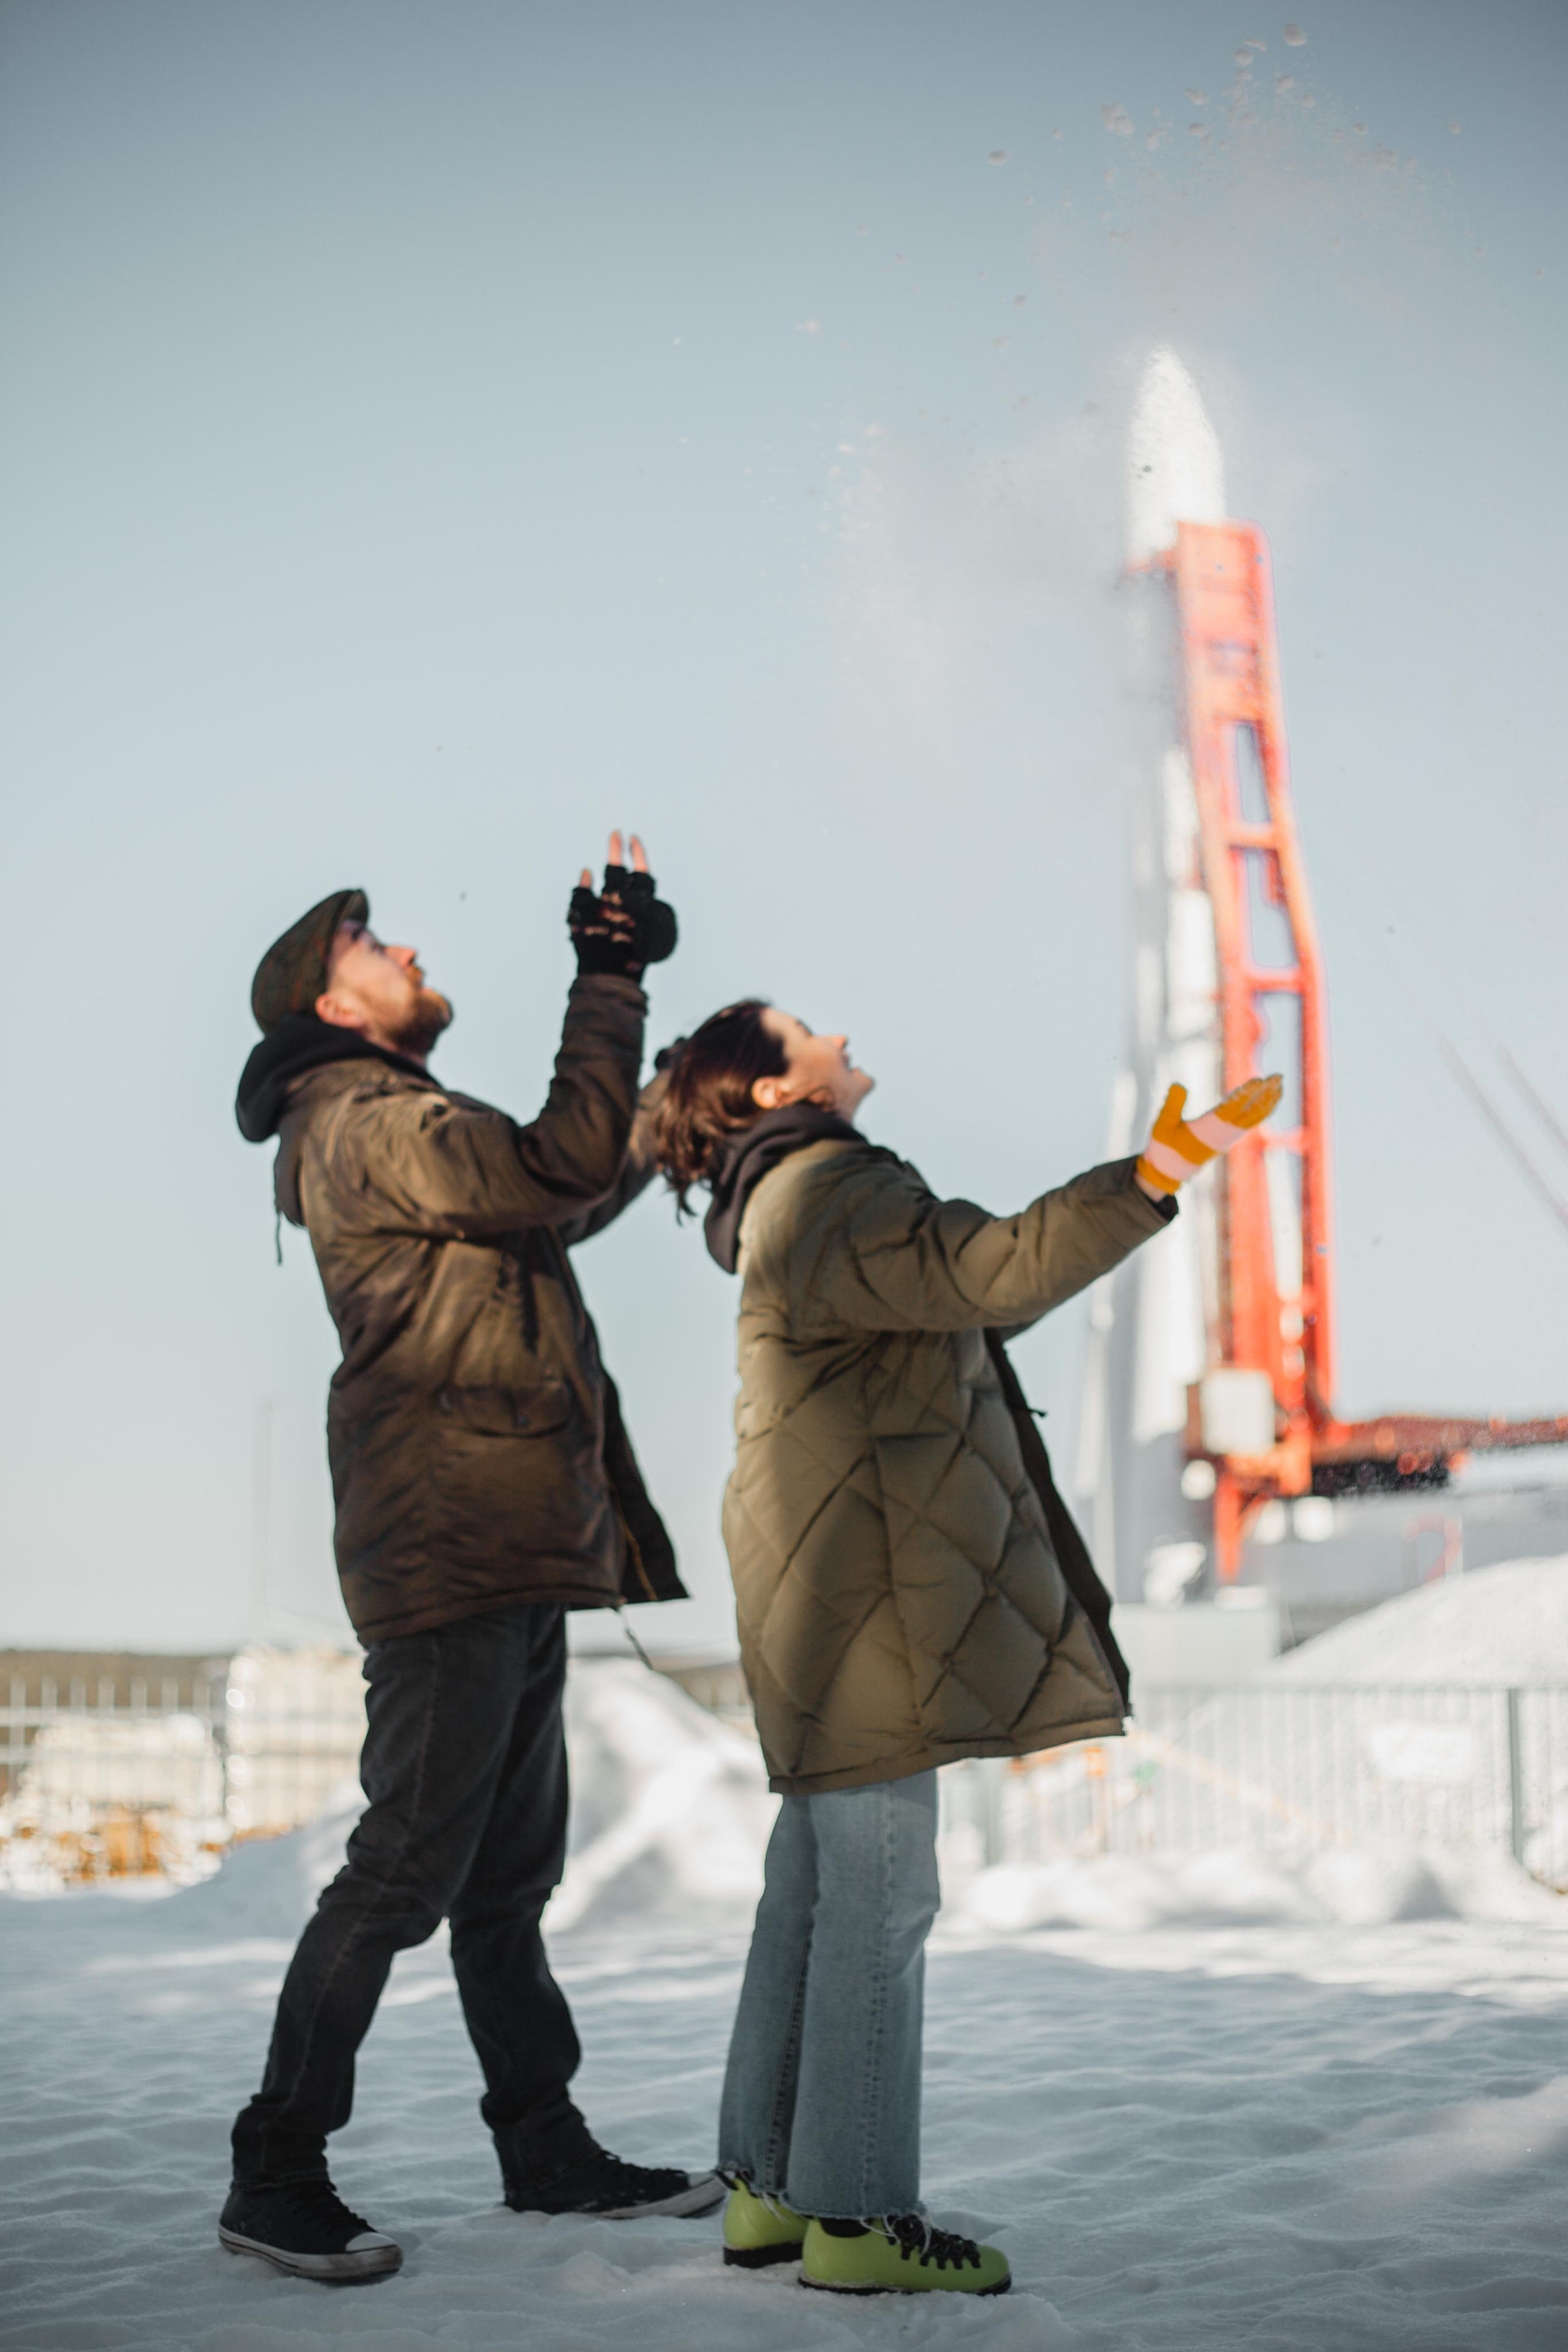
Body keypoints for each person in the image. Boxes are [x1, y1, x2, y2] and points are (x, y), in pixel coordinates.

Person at [652, 1000, 1279, 2297]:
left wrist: (1106, 1204)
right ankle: (860, 2216)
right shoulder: (831, 1184)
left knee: (812, 1902)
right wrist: (1149, 1176)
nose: (840, 1033)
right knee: (878, 1903)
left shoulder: (787, 1206)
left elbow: (954, 1297)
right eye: (806, 1029)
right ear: (773, 1091)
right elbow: (990, 1269)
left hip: (817, 1589)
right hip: (869, 1594)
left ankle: (772, 2190)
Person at [222, 838, 723, 2285]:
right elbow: (549, 1163)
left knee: (502, 1881)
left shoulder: (398, 1118)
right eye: (376, 949)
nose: (412, 956)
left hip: (504, 1540)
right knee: (399, 1873)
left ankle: (543, 2145)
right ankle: (278, 2167)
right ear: (335, 1007)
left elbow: (554, 1192)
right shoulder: (364, 1116)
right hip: (453, 1548)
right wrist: (608, 977)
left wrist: (649, 1095)